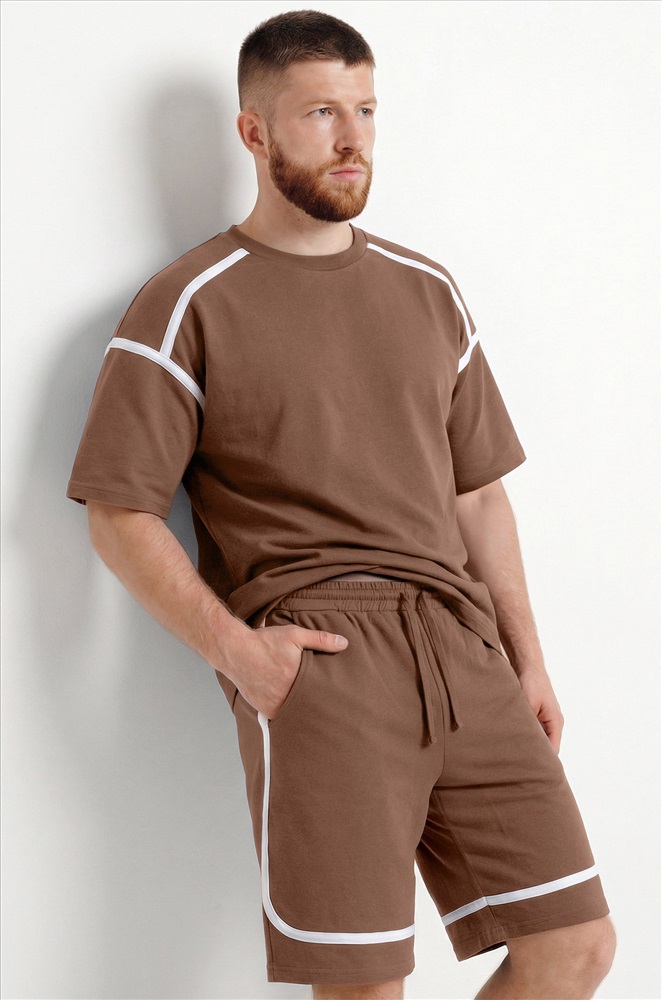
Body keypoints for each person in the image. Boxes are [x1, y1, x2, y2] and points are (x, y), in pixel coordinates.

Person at [66, 9, 616, 999]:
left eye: (365, 110)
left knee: (574, 943)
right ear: (254, 131)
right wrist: (240, 654)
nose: (352, 138)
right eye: (321, 112)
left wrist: (525, 660)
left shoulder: (428, 290)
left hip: (462, 650)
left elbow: (479, 495)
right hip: (324, 657)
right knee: (363, 985)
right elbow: (118, 512)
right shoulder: (190, 299)